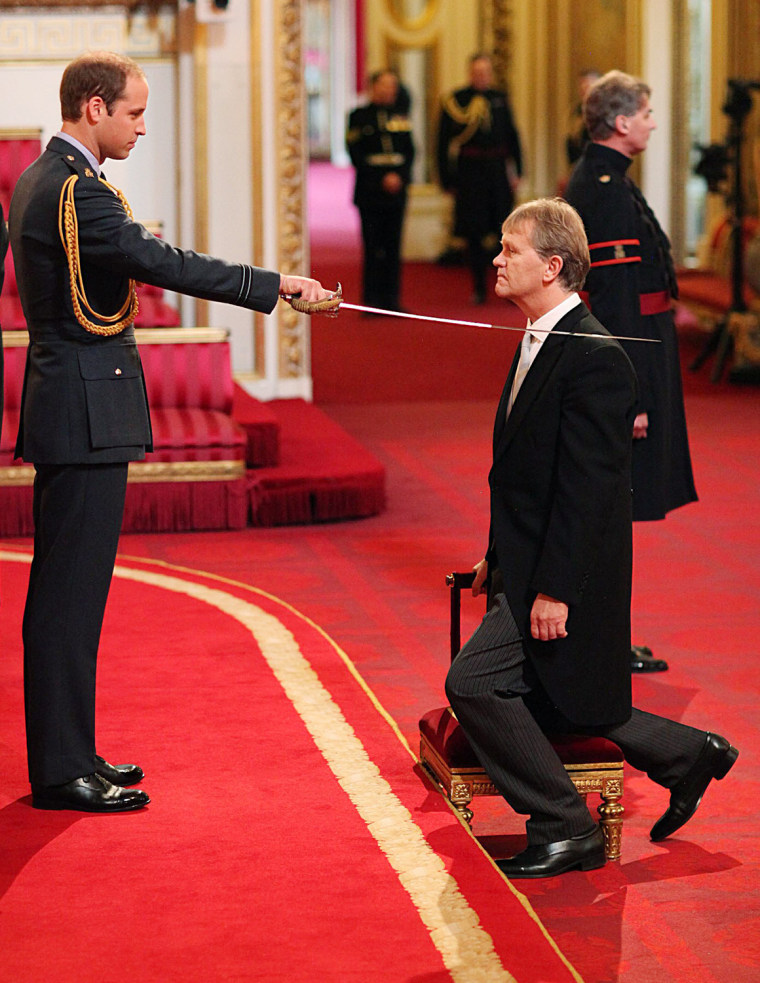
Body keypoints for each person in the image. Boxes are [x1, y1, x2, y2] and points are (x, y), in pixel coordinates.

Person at [9, 51, 334, 814]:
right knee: (68, 598)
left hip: (74, 404)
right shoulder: (76, 192)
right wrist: (276, 285)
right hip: (84, 411)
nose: (143, 127)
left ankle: (73, 752)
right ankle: (61, 771)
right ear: (94, 107)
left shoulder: (44, 177)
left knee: (72, 597)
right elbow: (161, 261)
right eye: (134, 112)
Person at [445, 197, 737, 878]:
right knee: (564, 693)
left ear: (552, 265)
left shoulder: (596, 358)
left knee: (476, 682)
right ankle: (688, 754)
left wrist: (553, 591)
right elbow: (522, 473)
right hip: (524, 558)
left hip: (566, 575)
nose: (496, 258)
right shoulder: (538, 336)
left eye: (509, 249)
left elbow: (588, 494)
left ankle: (565, 823)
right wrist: (496, 553)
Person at [564, 70, 698, 674]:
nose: (650, 121)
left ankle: (609, 636)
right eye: (645, 112)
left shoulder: (607, 178)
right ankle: (602, 641)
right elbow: (616, 300)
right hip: (634, 362)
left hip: (644, 353)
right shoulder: (606, 188)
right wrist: (632, 396)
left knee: (619, 506)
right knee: (612, 508)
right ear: (621, 123)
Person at [437, 53, 522, 304]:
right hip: (470, 171)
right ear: (470, 73)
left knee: (505, 231)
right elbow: (442, 143)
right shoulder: (456, 100)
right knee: (473, 232)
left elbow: (512, 136)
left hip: (497, 170)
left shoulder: (500, 98)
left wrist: (518, 170)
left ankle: (506, 285)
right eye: (477, 72)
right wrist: (447, 179)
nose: (481, 77)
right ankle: (479, 287)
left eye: (485, 72)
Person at [346, 69, 415, 312]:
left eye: (392, 86)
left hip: (396, 191)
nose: (388, 91)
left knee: (393, 246)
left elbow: (410, 152)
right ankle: (371, 300)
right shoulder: (358, 116)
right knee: (373, 246)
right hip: (371, 191)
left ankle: (392, 299)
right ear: (373, 87)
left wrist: (399, 177)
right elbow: (355, 154)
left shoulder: (401, 116)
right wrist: (382, 178)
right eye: (384, 86)